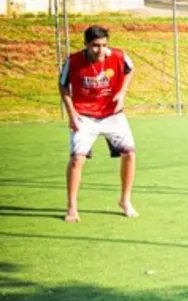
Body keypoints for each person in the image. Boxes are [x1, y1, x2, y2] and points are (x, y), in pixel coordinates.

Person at [58, 25, 138, 223]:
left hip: (112, 114)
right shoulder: (74, 61)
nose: (100, 50)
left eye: (104, 45)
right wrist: (72, 113)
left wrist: (121, 93)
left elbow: (130, 69)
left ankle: (125, 200)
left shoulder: (118, 56)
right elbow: (63, 85)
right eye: (95, 46)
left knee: (129, 153)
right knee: (77, 159)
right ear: (86, 45)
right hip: (84, 115)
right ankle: (72, 206)